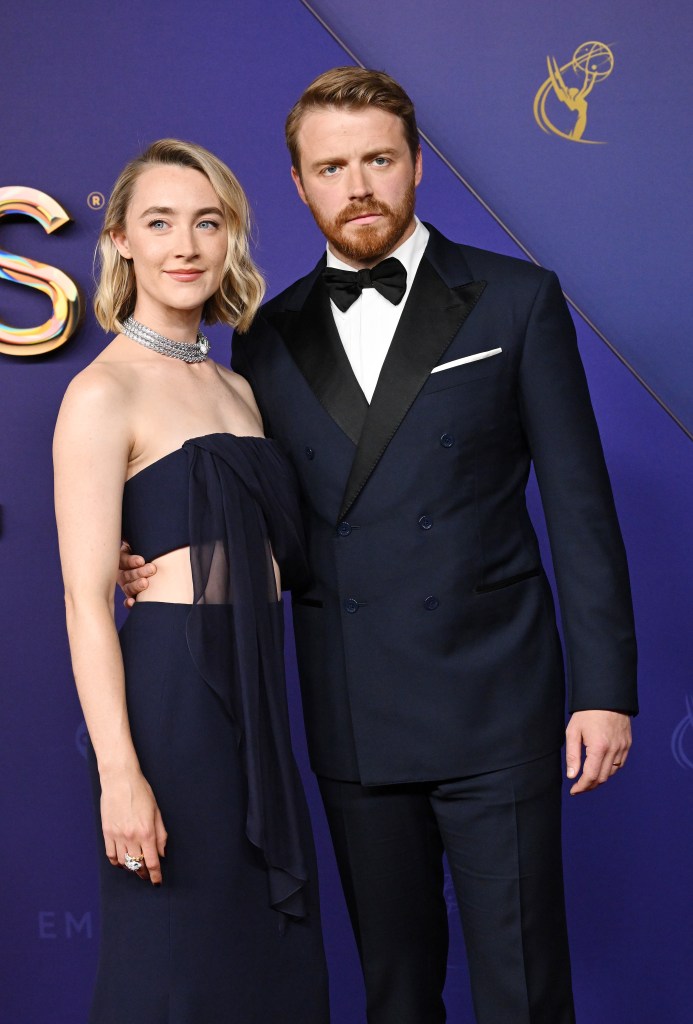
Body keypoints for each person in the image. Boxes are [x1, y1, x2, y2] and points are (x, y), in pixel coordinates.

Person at [122, 69, 637, 1024]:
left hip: (498, 699)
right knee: (395, 992)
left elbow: (580, 507)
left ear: (415, 166)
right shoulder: (265, 336)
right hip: (352, 704)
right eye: (331, 166)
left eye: (376, 160)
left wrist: (603, 690)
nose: (356, 185)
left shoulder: (514, 299)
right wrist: (157, 554)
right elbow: (263, 504)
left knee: (523, 989)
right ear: (298, 183)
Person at [54, 138, 329, 1024]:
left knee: (263, 963)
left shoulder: (237, 388)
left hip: (257, 689)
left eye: (206, 222)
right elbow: (86, 600)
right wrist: (119, 773)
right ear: (122, 241)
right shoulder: (103, 394)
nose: (185, 245)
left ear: (230, 238)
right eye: (160, 222)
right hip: (170, 699)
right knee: (172, 960)